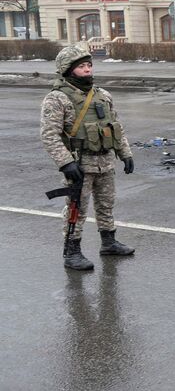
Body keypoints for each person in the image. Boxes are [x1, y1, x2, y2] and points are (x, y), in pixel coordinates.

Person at [41, 45, 135, 271]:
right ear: (67, 69)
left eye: (89, 65)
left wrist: (125, 153)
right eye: (81, 66)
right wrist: (66, 162)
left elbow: (115, 127)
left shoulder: (103, 95)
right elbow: (49, 135)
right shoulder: (57, 98)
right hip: (79, 165)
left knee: (106, 204)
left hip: (105, 162)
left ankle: (109, 242)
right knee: (77, 210)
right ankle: (72, 252)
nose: (87, 70)